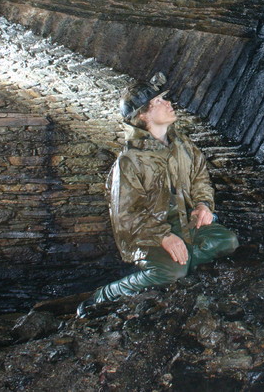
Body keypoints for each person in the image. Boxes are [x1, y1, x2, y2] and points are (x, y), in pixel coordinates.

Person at [77, 74, 238, 317]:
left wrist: (203, 205)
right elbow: (127, 217)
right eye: (159, 101)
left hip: (182, 224)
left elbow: (200, 178)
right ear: (143, 114)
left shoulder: (182, 144)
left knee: (228, 241)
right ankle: (104, 295)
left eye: (164, 98)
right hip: (146, 236)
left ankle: (181, 261)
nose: (168, 103)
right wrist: (164, 237)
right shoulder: (129, 162)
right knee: (172, 273)